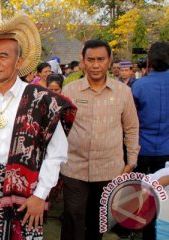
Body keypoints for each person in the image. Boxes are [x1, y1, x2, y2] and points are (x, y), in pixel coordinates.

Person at [0, 14, 77, 239]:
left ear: (19, 62)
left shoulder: (41, 100)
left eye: (3, 56)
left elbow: (57, 154)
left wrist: (41, 195)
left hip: (29, 192)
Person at [60, 39, 140, 240]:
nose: (96, 65)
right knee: (72, 217)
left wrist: (131, 161)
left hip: (109, 169)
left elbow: (131, 127)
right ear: (83, 61)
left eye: (101, 59)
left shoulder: (123, 92)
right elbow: (60, 127)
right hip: (74, 168)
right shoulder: (70, 90)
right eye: (91, 59)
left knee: (97, 222)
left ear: (109, 61)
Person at [131, 41, 169, 240]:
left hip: (143, 149)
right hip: (166, 150)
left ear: (149, 61)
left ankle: (146, 232)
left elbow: (131, 119)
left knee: (145, 195)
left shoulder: (139, 85)